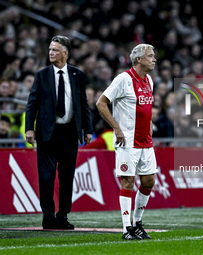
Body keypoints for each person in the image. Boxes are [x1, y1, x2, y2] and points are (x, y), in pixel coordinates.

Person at [25, 35, 93, 230]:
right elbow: (32, 103)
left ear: (65, 53)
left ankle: (62, 215)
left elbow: (83, 104)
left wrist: (87, 129)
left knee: (67, 177)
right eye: (50, 50)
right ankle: (48, 216)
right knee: (46, 177)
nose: (51, 53)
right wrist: (29, 128)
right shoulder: (42, 75)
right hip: (47, 133)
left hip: (70, 133)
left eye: (55, 50)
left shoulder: (77, 74)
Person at [96, 44, 157, 240]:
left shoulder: (149, 80)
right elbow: (101, 103)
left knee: (149, 181)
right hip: (127, 141)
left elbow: (145, 111)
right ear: (138, 59)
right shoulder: (123, 79)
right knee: (128, 181)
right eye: (150, 56)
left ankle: (138, 223)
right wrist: (117, 128)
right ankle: (126, 228)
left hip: (145, 141)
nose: (154, 59)